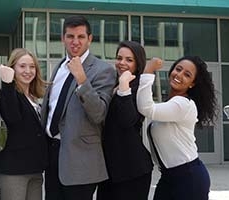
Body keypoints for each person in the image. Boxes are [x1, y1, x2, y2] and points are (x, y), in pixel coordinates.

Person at [40, 15, 116, 200]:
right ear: (62, 38)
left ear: (90, 39)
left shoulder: (103, 70)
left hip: (81, 161)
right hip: (53, 155)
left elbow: (99, 113)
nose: (75, 42)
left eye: (81, 37)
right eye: (70, 36)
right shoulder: (58, 66)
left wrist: (82, 80)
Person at [136, 56, 218, 200]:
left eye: (187, 75)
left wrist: (148, 70)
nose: (179, 75)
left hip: (188, 177)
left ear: (192, 84)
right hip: (169, 176)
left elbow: (146, 108)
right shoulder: (172, 103)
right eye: (178, 69)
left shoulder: (183, 104)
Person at [96, 41, 153, 200]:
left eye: (129, 60)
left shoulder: (138, 89)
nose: (122, 63)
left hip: (132, 170)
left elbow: (127, 120)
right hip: (109, 169)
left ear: (138, 63)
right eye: (119, 58)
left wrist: (124, 86)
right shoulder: (111, 84)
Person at [0, 48, 48, 200]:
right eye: (22, 66)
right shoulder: (8, 93)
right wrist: (6, 83)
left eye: (32, 67)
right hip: (14, 170)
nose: (28, 71)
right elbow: (13, 117)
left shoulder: (33, 97)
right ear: (13, 68)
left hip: (35, 169)